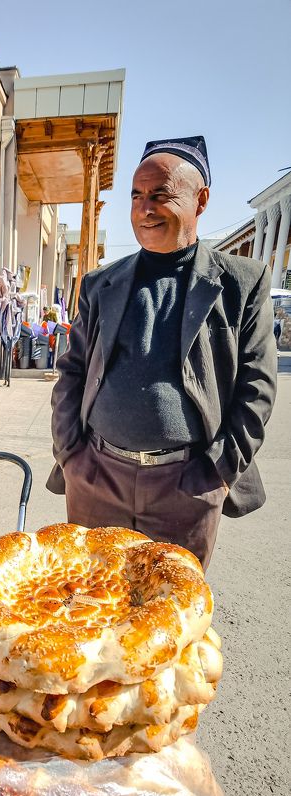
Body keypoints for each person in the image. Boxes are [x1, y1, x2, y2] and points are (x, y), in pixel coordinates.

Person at [47, 135, 277, 569]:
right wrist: (71, 456)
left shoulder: (240, 283)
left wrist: (216, 473)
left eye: (160, 195)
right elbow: (72, 373)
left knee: (169, 619)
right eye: (136, 195)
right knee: (90, 609)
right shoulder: (100, 285)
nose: (144, 208)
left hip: (186, 489)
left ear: (201, 199)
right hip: (96, 479)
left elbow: (258, 388)